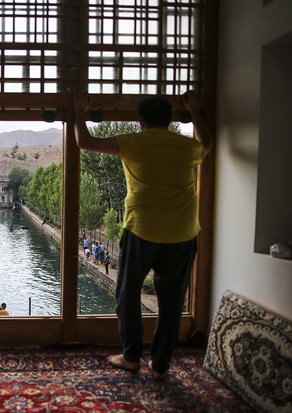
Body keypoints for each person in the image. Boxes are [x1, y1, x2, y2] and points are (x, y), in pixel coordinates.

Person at [73, 90, 212, 381]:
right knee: (172, 304)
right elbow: (208, 143)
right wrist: (195, 108)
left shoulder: (133, 142)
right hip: (183, 233)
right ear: (170, 121)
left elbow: (84, 142)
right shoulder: (185, 146)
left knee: (127, 295)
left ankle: (131, 356)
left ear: (140, 121)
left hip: (142, 231)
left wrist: (78, 109)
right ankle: (160, 366)